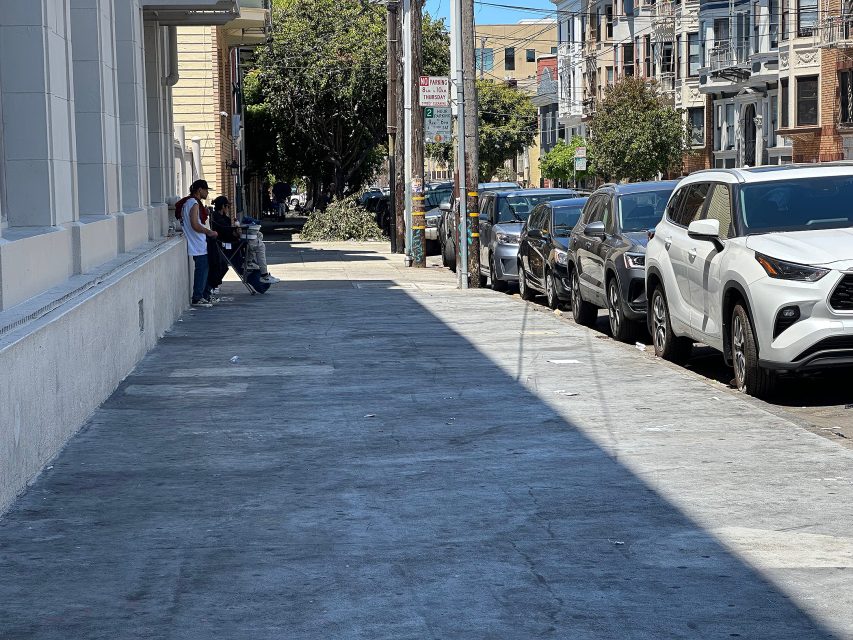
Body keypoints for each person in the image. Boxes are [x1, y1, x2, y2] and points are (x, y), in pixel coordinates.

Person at [181, 180, 217, 307]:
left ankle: (204, 295)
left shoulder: (190, 203)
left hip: (198, 242)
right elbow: (195, 224)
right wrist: (209, 232)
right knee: (202, 268)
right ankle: (197, 296)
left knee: (205, 267)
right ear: (199, 190)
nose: (207, 193)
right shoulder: (194, 204)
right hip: (197, 242)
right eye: (206, 190)